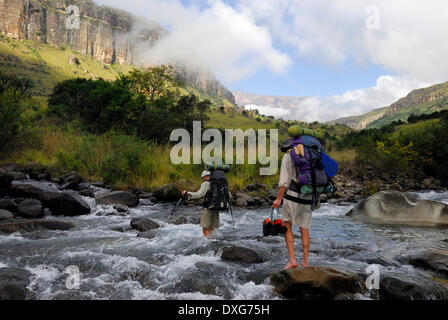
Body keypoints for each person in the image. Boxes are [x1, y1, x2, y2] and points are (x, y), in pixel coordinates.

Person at [272, 143, 313, 270]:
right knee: (304, 228)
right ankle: (305, 263)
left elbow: (285, 181)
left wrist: (278, 198)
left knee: (287, 225)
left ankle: (292, 260)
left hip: (293, 195)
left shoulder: (288, 155)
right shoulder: (310, 152)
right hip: (308, 195)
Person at [181, 170, 223, 237]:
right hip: (216, 208)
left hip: (208, 208)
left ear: (206, 176)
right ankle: (213, 243)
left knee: (205, 228)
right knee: (211, 228)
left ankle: (207, 245)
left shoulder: (206, 183)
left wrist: (187, 193)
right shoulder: (218, 183)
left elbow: (199, 194)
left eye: (202, 178)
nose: (202, 180)